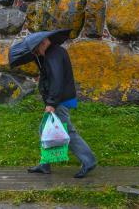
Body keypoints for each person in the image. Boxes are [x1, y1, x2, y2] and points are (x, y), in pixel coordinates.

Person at [27, 37, 97, 178]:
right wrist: (40, 59)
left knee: (68, 132)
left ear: (44, 42)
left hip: (59, 100)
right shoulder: (53, 54)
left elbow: (57, 81)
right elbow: (50, 77)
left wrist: (51, 103)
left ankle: (89, 161)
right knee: (43, 129)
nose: (36, 52)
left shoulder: (53, 55)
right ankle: (45, 164)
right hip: (59, 98)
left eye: (36, 49)